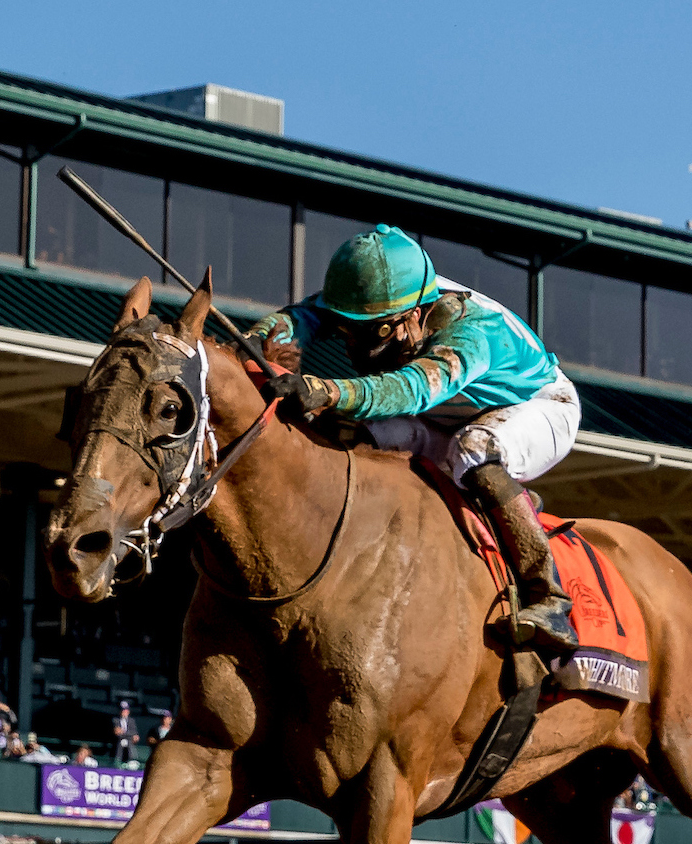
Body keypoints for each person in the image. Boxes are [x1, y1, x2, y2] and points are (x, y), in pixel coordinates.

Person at [248, 224, 582, 649]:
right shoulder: (385, 296)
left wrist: (328, 390)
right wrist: (259, 339)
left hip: (540, 406)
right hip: (447, 414)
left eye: (371, 332)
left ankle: (547, 593)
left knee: (474, 449)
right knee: (358, 435)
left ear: (413, 315)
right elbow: (301, 317)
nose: (352, 347)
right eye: (348, 329)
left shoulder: (473, 331)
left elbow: (411, 389)